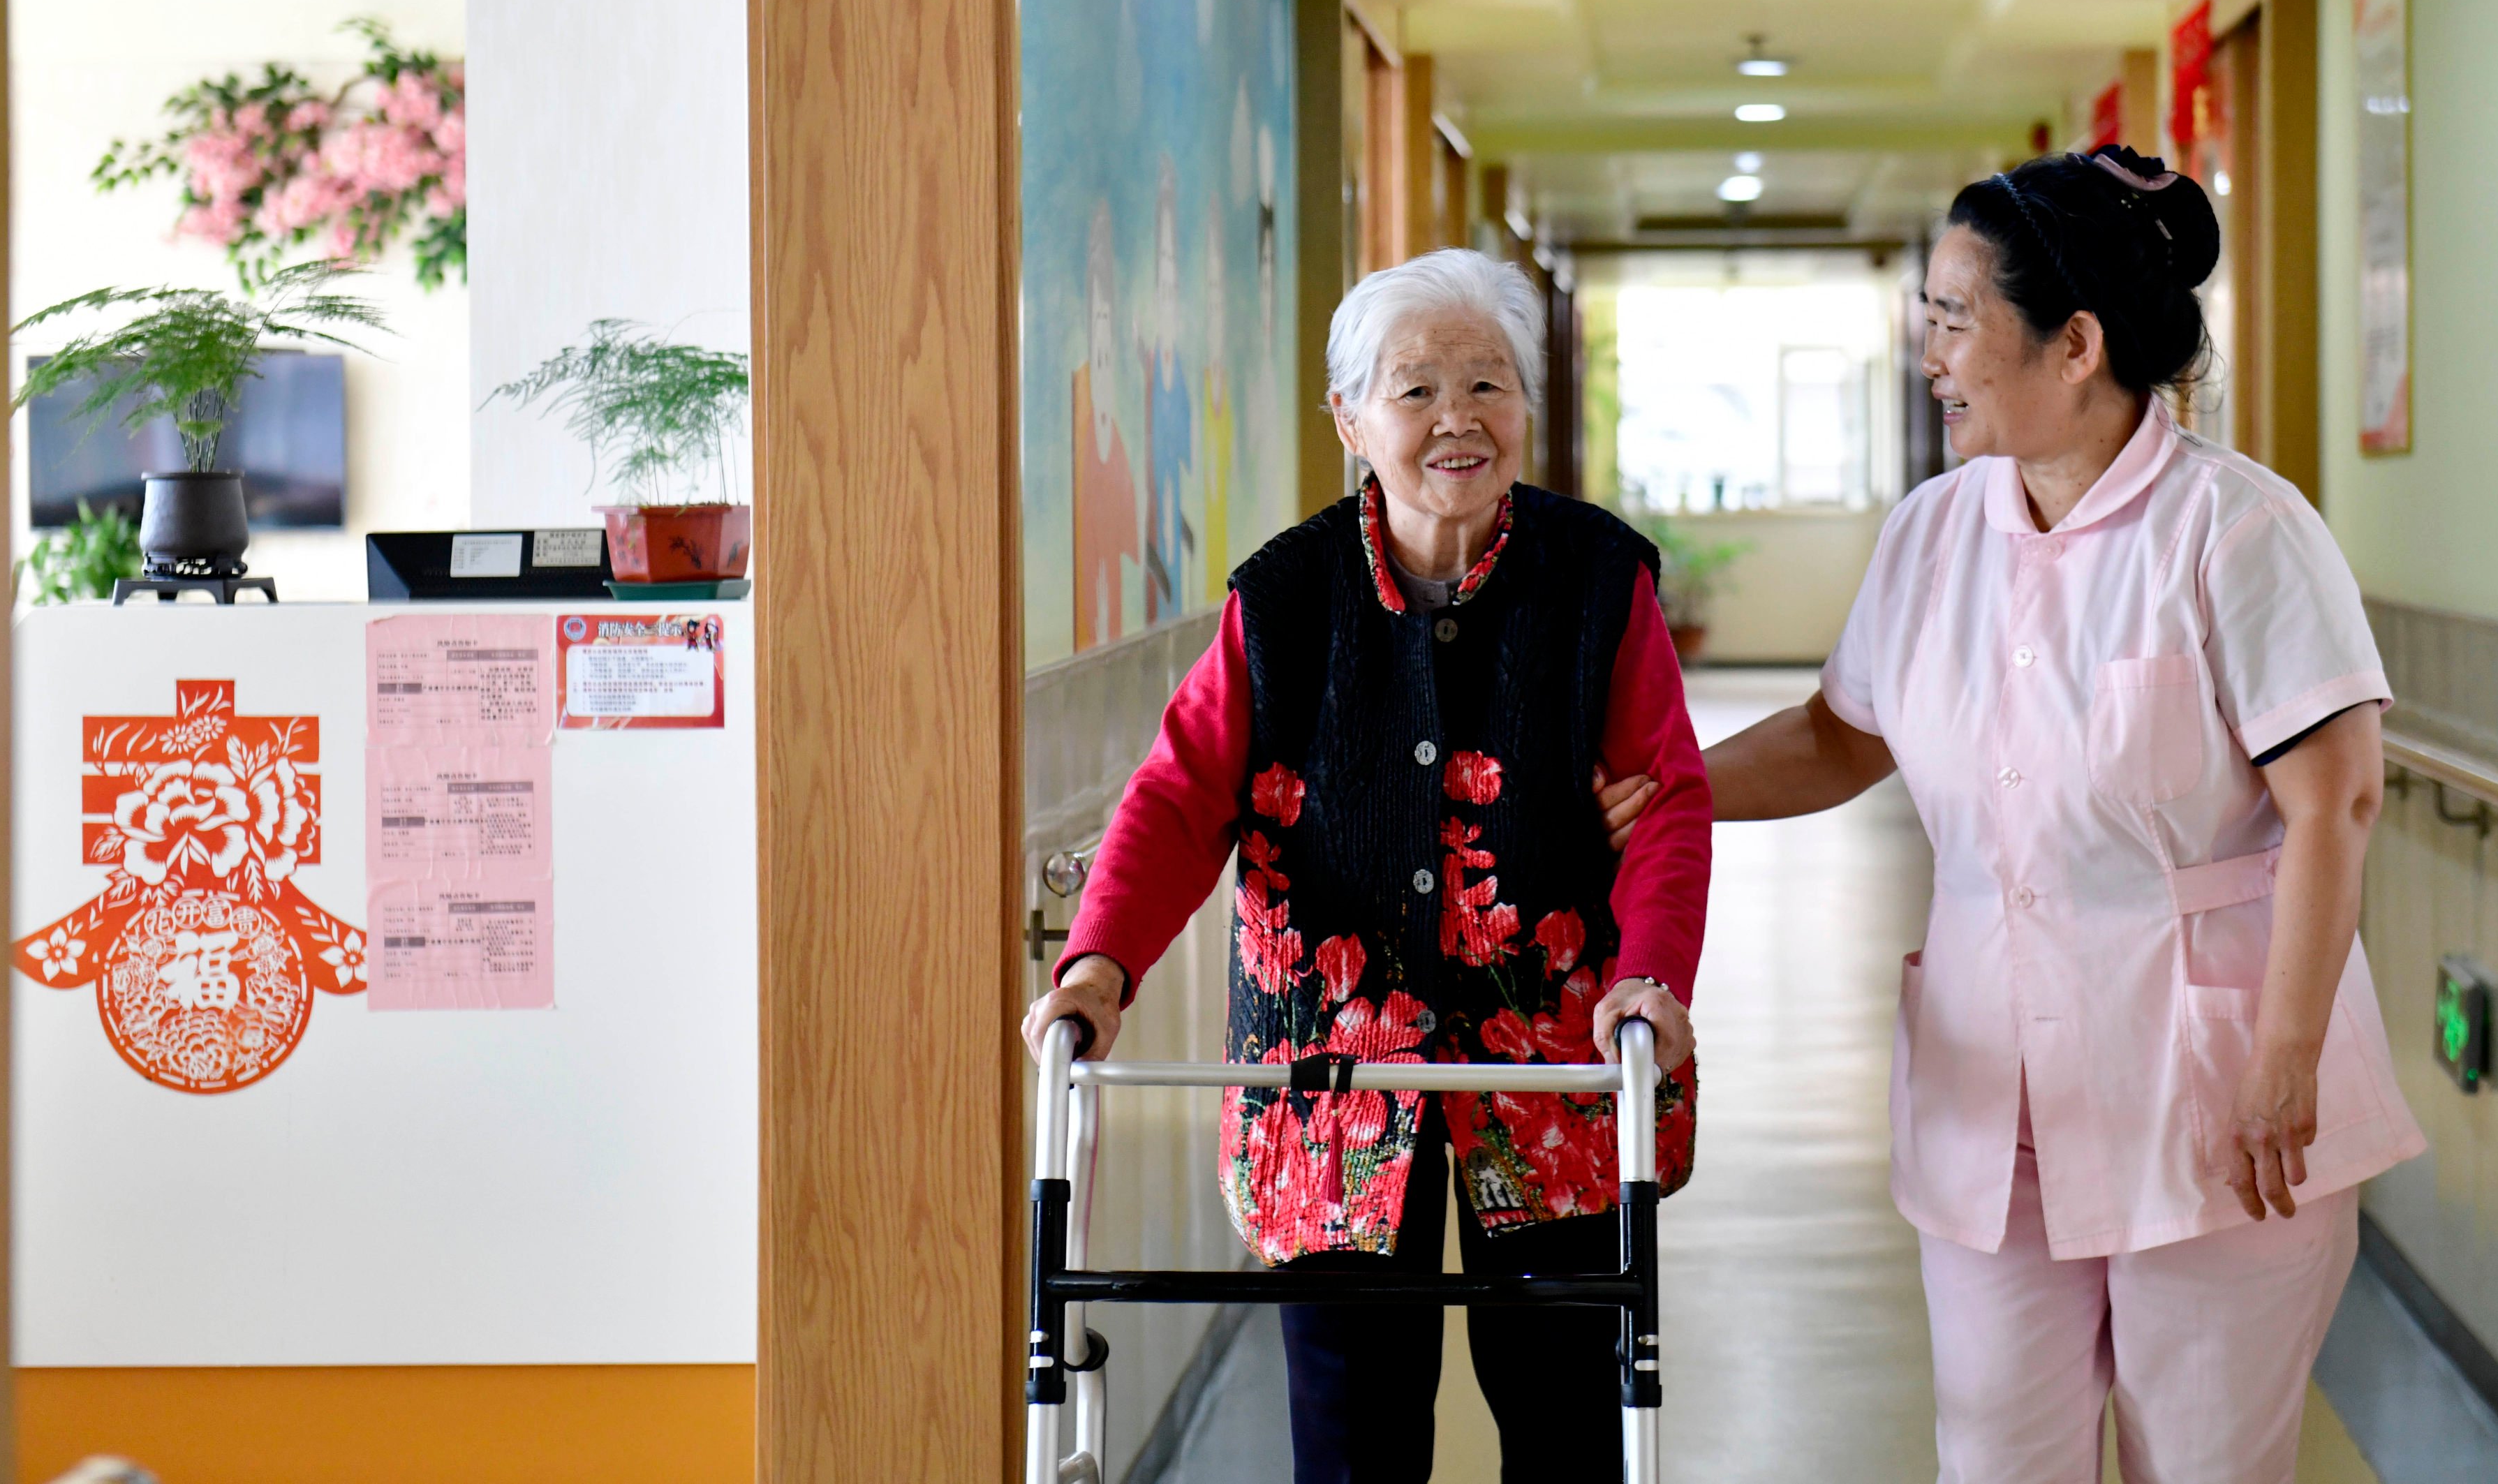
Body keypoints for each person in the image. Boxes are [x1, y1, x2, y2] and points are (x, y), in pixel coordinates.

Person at [1602, 146, 2425, 1483]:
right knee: (1995, 1460)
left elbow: (2337, 799)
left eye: (1954, 315)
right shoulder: (1933, 533)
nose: (1928, 349)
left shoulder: (2236, 530)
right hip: (1999, 1104)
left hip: (2213, 1096)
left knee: (2204, 1462)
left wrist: (2286, 1051)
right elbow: (1839, 736)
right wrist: (1667, 796)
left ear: (2077, 344)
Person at [1022, 247, 1713, 1484]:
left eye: (1488, 382)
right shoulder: (1286, 597)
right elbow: (1181, 792)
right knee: (1352, 1436)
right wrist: (1099, 968)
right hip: (1330, 1071)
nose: (1459, 416)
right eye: (1417, 389)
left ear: (1526, 406)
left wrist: (1654, 977)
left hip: (1553, 1054)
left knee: (1567, 1418)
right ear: (1350, 419)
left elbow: (1668, 802)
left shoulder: (1600, 578)